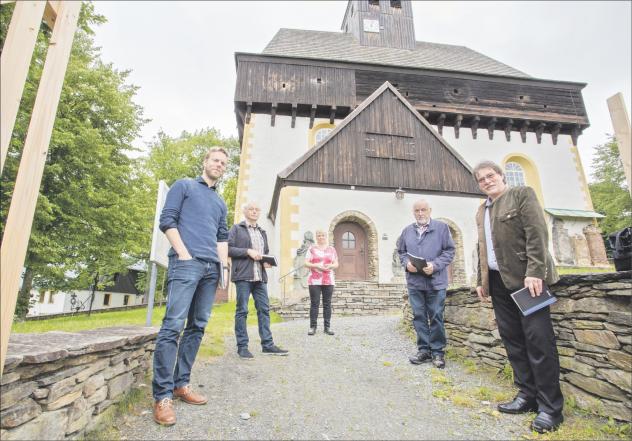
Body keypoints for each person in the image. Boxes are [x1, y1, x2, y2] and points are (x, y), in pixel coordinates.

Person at [473, 160, 563, 433]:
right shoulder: (482, 210)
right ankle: (527, 396)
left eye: (491, 176)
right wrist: (481, 280)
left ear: (501, 176)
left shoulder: (522, 194)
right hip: (499, 283)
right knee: (513, 341)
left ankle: (551, 409)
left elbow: (537, 233)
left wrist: (535, 271)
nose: (487, 181)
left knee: (539, 341)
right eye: (481, 179)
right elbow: (482, 247)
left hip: (528, 280)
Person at [152, 147, 230, 426]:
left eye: (223, 163)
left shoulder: (220, 202)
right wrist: (184, 254)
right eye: (215, 160)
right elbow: (167, 220)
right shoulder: (184, 185)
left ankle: (180, 384)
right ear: (205, 162)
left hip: (211, 270)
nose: (219, 165)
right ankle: (161, 396)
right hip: (186, 264)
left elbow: (222, 236)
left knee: (197, 326)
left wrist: (223, 269)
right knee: (173, 326)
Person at [397, 199, 455, 369]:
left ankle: (437, 352)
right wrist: (406, 264)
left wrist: (435, 265)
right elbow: (401, 252)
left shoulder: (442, 228)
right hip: (415, 282)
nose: (420, 213)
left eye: (423, 210)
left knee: (436, 316)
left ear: (430, 210)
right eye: (417, 210)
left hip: (436, 281)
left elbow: (449, 251)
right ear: (413, 212)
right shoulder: (407, 231)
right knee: (419, 317)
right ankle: (423, 350)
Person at [228, 201, 289, 358]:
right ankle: (242, 347)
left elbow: (264, 252)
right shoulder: (236, 229)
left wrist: (266, 262)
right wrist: (247, 251)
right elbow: (228, 248)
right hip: (243, 276)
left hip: (260, 277)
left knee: (264, 310)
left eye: (257, 209)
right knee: (242, 311)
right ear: (245, 211)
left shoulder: (262, 232)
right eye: (251, 209)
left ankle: (267, 345)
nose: (254, 212)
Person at [304, 230, 339, 335]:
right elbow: (306, 263)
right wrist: (316, 266)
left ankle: (327, 328)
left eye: (322, 235)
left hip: (328, 279)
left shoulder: (332, 249)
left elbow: (336, 263)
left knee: (327, 304)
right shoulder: (311, 249)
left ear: (326, 237)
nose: (321, 237)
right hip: (314, 280)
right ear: (316, 237)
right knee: (314, 303)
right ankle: (312, 327)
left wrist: (331, 266)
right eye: (318, 235)